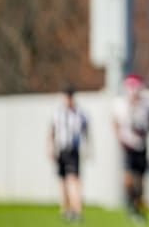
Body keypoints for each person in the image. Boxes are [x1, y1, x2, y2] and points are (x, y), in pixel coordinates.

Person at [113, 73, 149, 222]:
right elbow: (115, 122)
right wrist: (120, 138)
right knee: (129, 177)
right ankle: (130, 203)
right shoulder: (121, 103)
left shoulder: (146, 104)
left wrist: (145, 128)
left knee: (141, 180)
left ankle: (138, 207)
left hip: (141, 145)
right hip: (127, 144)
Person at [47, 85, 90, 223]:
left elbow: (85, 132)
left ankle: (77, 210)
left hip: (73, 150)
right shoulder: (57, 113)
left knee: (74, 180)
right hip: (61, 149)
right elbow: (51, 132)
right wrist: (50, 148)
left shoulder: (79, 113)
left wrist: (87, 148)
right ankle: (65, 209)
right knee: (62, 181)